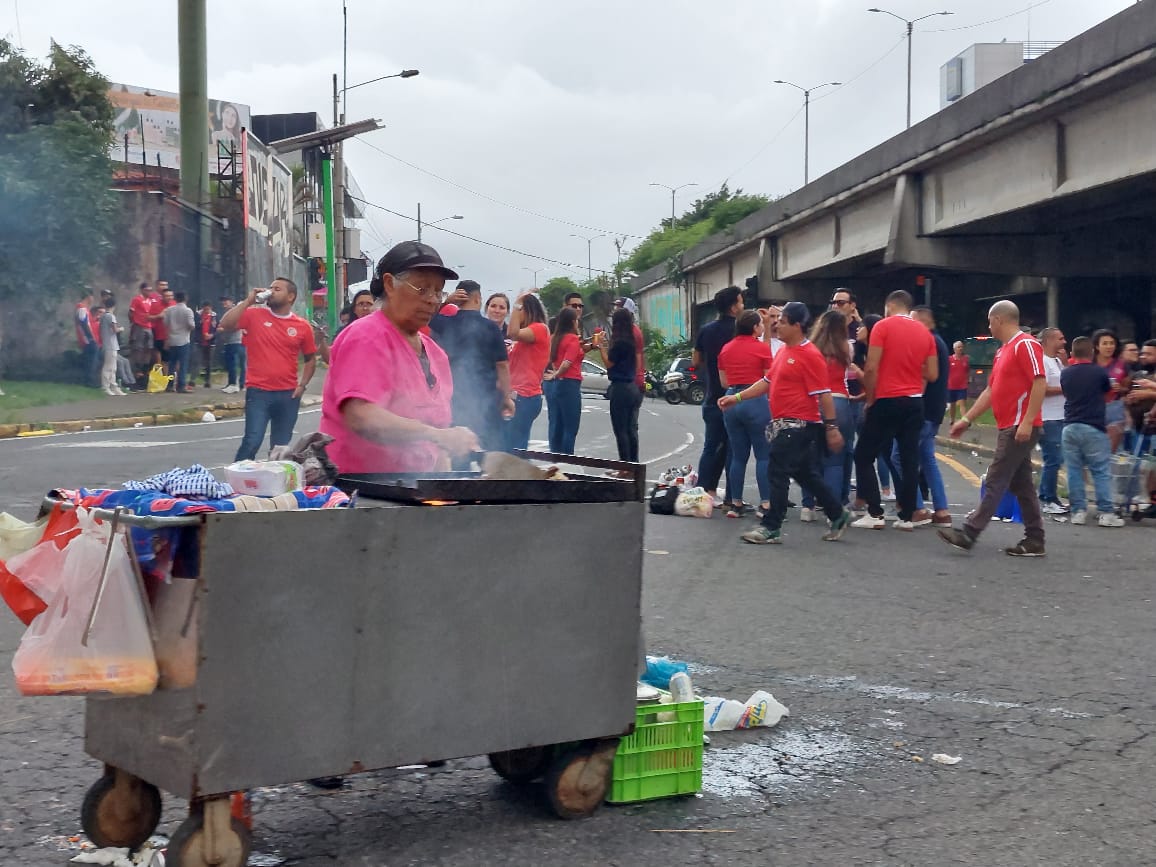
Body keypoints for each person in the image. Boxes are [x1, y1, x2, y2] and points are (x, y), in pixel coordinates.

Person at [319, 241, 478, 473]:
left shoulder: (436, 354)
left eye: (437, 291)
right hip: (362, 489)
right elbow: (361, 416)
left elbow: (439, 439)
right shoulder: (367, 336)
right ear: (390, 284)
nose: (433, 300)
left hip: (414, 487)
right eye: (422, 289)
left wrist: (443, 476)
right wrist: (435, 435)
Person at [719, 302, 853, 545]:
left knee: (776, 469)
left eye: (782, 320)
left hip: (799, 425)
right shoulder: (783, 351)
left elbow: (823, 394)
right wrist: (736, 397)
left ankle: (771, 526)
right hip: (783, 423)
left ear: (797, 325)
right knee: (805, 475)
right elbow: (766, 382)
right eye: (776, 320)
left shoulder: (810, 355)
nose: (776, 324)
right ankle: (838, 513)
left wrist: (832, 428)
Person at [938, 301, 1047, 557]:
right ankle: (1035, 538)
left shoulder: (1026, 344)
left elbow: (1039, 381)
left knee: (997, 477)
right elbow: (990, 391)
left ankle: (969, 533)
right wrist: (966, 420)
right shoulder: (1002, 351)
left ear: (999, 319)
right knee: (1022, 484)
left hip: (1019, 425)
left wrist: (1028, 421)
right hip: (1010, 424)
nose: (988, 326)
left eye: (990, 321)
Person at [852, 290, 937, 531]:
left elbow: (871, 368)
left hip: (887, 398)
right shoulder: (924, 332)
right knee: (909, 459)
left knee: (864, 455)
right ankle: (907, 517)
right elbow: (932, 374)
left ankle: (875, 512)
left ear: (889, 306)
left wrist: (870, 398)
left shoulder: (882, 326)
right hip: (914, 401)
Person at [220, 278, 318, 461]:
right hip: (259, 392)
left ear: (290, 297)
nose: (271, 291)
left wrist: (302, 385)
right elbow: (226, 324)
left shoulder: (302, 326)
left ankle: (275, 484)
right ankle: (236, 482)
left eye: (277, 289)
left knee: (280, 448)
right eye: (271, 288)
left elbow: (310, 359)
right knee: (252, 440)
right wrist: (248, 301)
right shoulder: (254, 315)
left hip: (288, 395)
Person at [430, 279, 511, 461]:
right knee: (490, 449)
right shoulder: (490, 327)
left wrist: (446, 302)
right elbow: (503, 366)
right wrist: (507, 398)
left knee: (457, 453)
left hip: (453, 398)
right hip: (487, 399)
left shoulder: (445, 324)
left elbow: (427, 316)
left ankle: (457, 483)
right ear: (478, 298)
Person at [1058, 336, 1123, 528]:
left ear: (1073, 353)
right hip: (1093, 426)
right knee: (1100, 471)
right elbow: (1107, 395)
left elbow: (1067, 393)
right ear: (1092, 352)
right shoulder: (1099, 373)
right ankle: (1106, 513)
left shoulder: (1066, 374)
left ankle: (1078, 511)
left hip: (1069, 426)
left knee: (1074, 471)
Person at [800, 310, 856, 521]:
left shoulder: (809, 348)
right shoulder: (845, 347)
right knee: (835, 460)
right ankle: (833, 511)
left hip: (813, 402)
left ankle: (808, 507)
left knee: (809, 457)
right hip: (839, 401)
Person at [717, 310, 772, 518]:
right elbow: (769, 379)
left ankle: (736, 503)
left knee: (738, 456)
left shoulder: (726, 349)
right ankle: (766, 503)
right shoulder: (761, 349)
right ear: (755, 328)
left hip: (731, 398)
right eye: (761, 324)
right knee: (763, 454)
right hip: (754, 399)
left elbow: (723, 381)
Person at [694, 286, 744, 508]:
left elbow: (695, 361)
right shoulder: (741, 331)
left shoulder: (706, 330)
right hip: (737, 397)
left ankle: (703, 493)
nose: (743, 306)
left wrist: (711, 370)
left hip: (713, 395)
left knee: (710, 446)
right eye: (741, 302)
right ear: (734, 306)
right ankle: (733, 498)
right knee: (734, 449)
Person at [905, 306, 953, 527]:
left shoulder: (927, 342)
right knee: (927, 458)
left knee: (899, 455)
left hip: (922, 410)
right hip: (935, 410)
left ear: (922, 322)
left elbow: (925, 375)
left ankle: (918, 508)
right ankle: (941, 510)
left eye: (912, 322)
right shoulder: (939, 341)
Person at [504, 293, 550, 452]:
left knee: (514, 447)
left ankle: (518, 476)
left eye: (520, 309)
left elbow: (512, 332)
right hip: (517, 396)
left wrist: (516, 304)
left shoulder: (539, 329)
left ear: (528, 310)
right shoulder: (527, 336)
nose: (516, 313)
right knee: (511, 444)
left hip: (525, 397)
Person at [597, 308, 643, 466]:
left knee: (620, 430)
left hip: (620, 388)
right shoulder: (631, 341)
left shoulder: (618, 343)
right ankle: (634, 463)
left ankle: (624, 465)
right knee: (631, 429)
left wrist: (601, 347)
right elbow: (637, 365)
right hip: (632, 387)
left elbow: (609, 363)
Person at [543, 306, 584, 454]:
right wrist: (557, 373)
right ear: (573, 322)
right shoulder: (572, 338)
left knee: (556, 424)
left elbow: (550, 357)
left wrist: (554, 373)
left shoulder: (554, 338)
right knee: (570, 427)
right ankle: (568, 460)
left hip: (556, 385)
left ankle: (555, 457)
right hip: (569, 383)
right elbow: (568, 362)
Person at [1037, 327, 1068, 514]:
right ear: (1048, 340)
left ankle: (1046, 494)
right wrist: (1065, 389)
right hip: (1048, 418)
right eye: (1060, 338)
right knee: (1053, 459)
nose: (1064, 342)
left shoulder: (1056, 361)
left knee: (1056, 459)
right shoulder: (1042, 361)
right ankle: (1049, 499)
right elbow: (1042, 389)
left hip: (1060, 416)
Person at [1092, 329, 1128, 453]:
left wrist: (1121, 388)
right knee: (1094, 446)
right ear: (1097, 346)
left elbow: (1127, 388)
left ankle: (1115, 472)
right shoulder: (1089, 363)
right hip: (1092, 408)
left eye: (1112, 343)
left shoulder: (1122, 365)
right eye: (1105, 343)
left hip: (1115, 408)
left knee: (1116, 448)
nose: (1109, 347)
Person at [163, 292, 197, 393]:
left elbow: (165, 323)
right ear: (185, 298)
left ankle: (169, 385)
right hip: (184, 340)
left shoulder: (169, 310)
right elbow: (192, 325)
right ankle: (181, 386)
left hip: (172, 340)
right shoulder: (188, 311)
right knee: (183, 364)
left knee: (172, 364)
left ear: (175, 299)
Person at [613, 296, 647, 394]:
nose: (615, 310)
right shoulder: (627, 331)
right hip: (631, 381)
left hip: (630, 382)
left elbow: (636, 359)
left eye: (618, 307)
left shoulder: (631, 333)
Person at [128, 282, 155, 389]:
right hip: (139, 325)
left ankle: (145, 369)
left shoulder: (151, 300)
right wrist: (134, 322)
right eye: (147, 290)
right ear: (142, 290)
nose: (149, 292)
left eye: (150, 290)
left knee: (148, 348)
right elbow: (131, 312)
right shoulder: (137, 299)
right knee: (138, 348)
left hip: (149, 326)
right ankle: (138, 370)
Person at [98, 297, 125, 396]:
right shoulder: (111, 316)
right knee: (108, 367)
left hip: (108, 344)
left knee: (113, 367)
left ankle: (113, 386)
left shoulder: (103, 316)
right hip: (110, 344)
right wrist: (121, 329)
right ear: (114, 306)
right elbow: (115, 330)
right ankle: (105, 387)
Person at [217, 297, 245, 394]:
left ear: (231, 302)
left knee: (234, 363)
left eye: (226, 301)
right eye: (222, 301)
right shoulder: (227, 313)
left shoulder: (236, 312)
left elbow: (237, 325)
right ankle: (232, 383)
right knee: (231, 364)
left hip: (235, 341)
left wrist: (223, 329)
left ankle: (234, 384)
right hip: (229, 341)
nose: (224, 303)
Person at [74, 288, 100, 387]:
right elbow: (84, 324)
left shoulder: (84, 309)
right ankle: (89, 381)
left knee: (91, 359)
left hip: (88, 339)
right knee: (92, 360)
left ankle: (89, 380)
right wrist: (91, 338)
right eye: (92, 296)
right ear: (89, 296)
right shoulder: (82, 308)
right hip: (87, 340)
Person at [149, 282, 174, 369]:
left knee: (173, 358)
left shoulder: (175, 304)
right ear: (162, 296)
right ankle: (163, 378)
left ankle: (175, 378)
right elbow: (148, 317)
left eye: (171, 296)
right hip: (159, 334)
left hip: (173, 336)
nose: (169, 298)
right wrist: (158, 316)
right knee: (161, 358)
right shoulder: (156, 305)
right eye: (167, 296)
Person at [947, 340, 970, 423]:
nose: (961, 348)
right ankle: (952, 419)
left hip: (962, 386)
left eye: (961, 347)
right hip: (951, 386)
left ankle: (964, 421)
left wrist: (967, 380)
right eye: (959, 347)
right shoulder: (949, 359)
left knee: (962, 403)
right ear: (954, 349)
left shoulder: (966, 359)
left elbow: (967, 370)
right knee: (952, 404)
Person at [198, 301, 217, 388]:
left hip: (211, 342)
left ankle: (207, 380)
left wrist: (212, 335)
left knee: (208, 362)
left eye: (208, 309)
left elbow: (218, 328)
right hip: (200, 341)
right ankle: (193, 379)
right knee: (198, 360)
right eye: (205, 309)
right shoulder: (198, 316)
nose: (206, 311)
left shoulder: (214, 316)